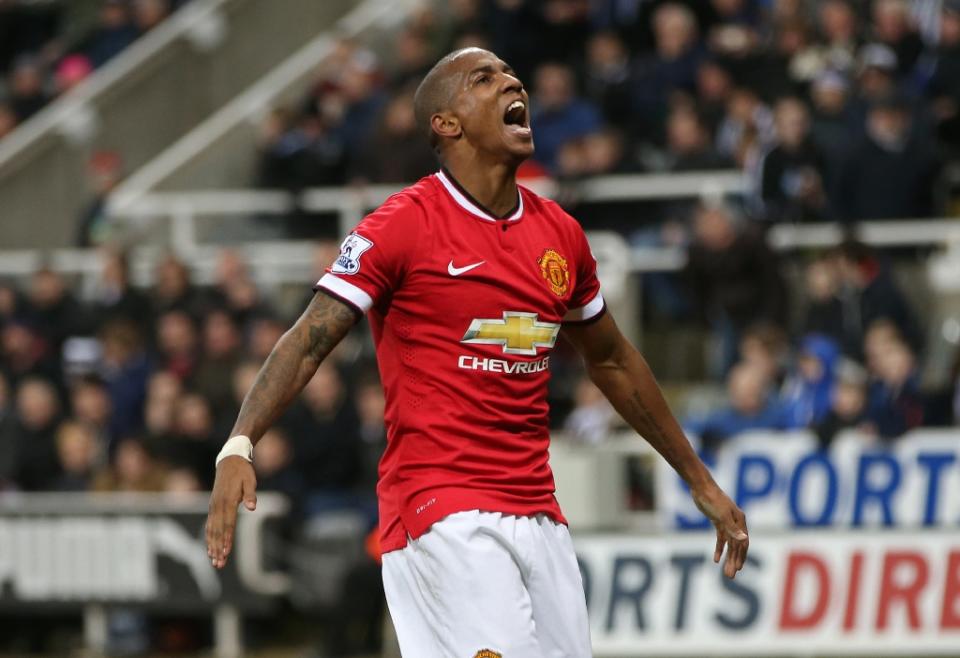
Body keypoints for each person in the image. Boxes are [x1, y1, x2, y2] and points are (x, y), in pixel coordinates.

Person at [205, 48, 748, 657]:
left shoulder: (561, 236)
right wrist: (239, 443)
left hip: (539, 511)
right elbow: (308, 339)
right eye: (484, 78)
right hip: (441, 509)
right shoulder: (401, 225)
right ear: (447, 123)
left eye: (511, 74)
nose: (511, 81)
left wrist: (698, 480)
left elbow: (614, 360)